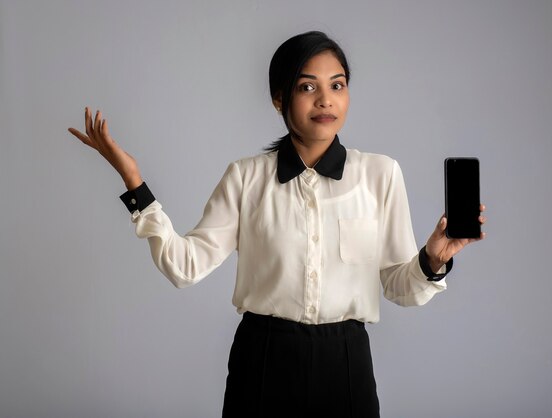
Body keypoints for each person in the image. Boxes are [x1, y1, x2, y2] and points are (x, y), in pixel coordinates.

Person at [68, 31, 486, 418]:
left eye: (337, 85)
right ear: (279, 98)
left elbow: (399, 285)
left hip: (347, 361)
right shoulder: (245, 177)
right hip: (263, 359)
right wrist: (134, 182)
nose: (326, 100)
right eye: (308, 87)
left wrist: (433, 259)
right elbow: (185, 266)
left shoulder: (380, 175)